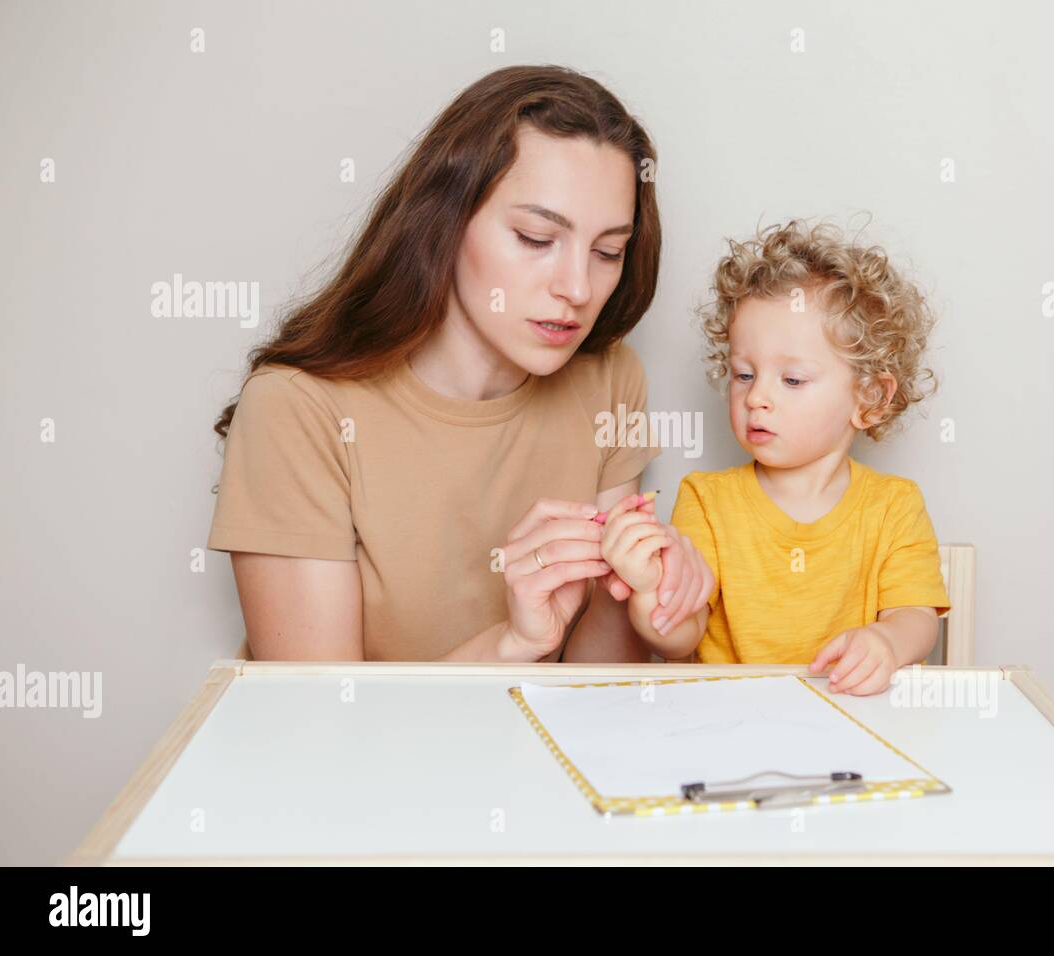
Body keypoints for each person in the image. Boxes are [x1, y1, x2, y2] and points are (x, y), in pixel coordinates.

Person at [206, 65, 713, 661]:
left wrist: (640, 594)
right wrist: (511, 644)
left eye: (608, 252)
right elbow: (320, 726)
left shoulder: (609, 379)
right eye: (534, 237)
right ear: (443, 222)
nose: (577, 287)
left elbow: (597, 692)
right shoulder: (296, 409)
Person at [599, 219, 951, 694]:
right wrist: (647, 590)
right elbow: (681, 639)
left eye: (792, 380)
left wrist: (887, 642)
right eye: (744, 374)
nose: (756, 398)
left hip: (850, 726)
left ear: (869, 398)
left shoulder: (894, 506)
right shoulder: (706, 500)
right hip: (731, 730)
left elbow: (916, 618)